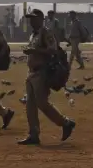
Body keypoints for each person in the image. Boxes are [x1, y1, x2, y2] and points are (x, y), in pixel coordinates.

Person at [19, 9, 76, 145]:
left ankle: (65, 123)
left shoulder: (46, 33)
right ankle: (33, 134)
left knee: (42, 103)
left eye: (34, 18)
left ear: (41, 19)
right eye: (30, 18)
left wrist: (34, 50)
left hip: (41, 72)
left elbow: (52, 50)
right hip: (31, 72)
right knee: (30, 105)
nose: (31, 21)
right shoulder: (33, 34)